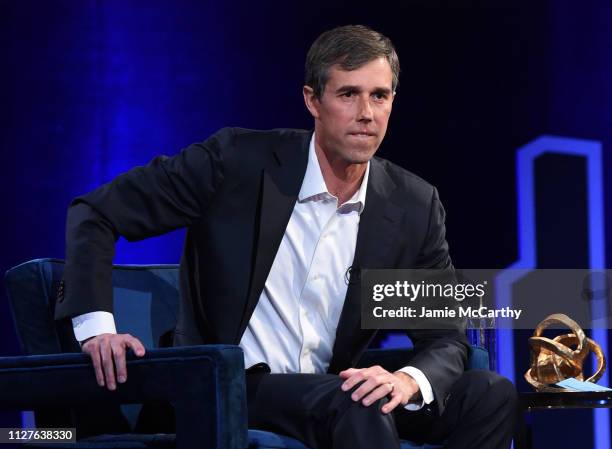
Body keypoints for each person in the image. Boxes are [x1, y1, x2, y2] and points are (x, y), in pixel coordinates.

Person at [55, 25, 516, 449]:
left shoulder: (413, 204)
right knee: (354, 402)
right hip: (233, 387)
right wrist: (98, 329)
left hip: (333, 392)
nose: (366, 114)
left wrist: (409, 380)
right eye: (349, 94)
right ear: (312, 101)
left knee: (489, 393)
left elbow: (445, 337)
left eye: (380, 96)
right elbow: (96, 213)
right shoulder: (236, 161)